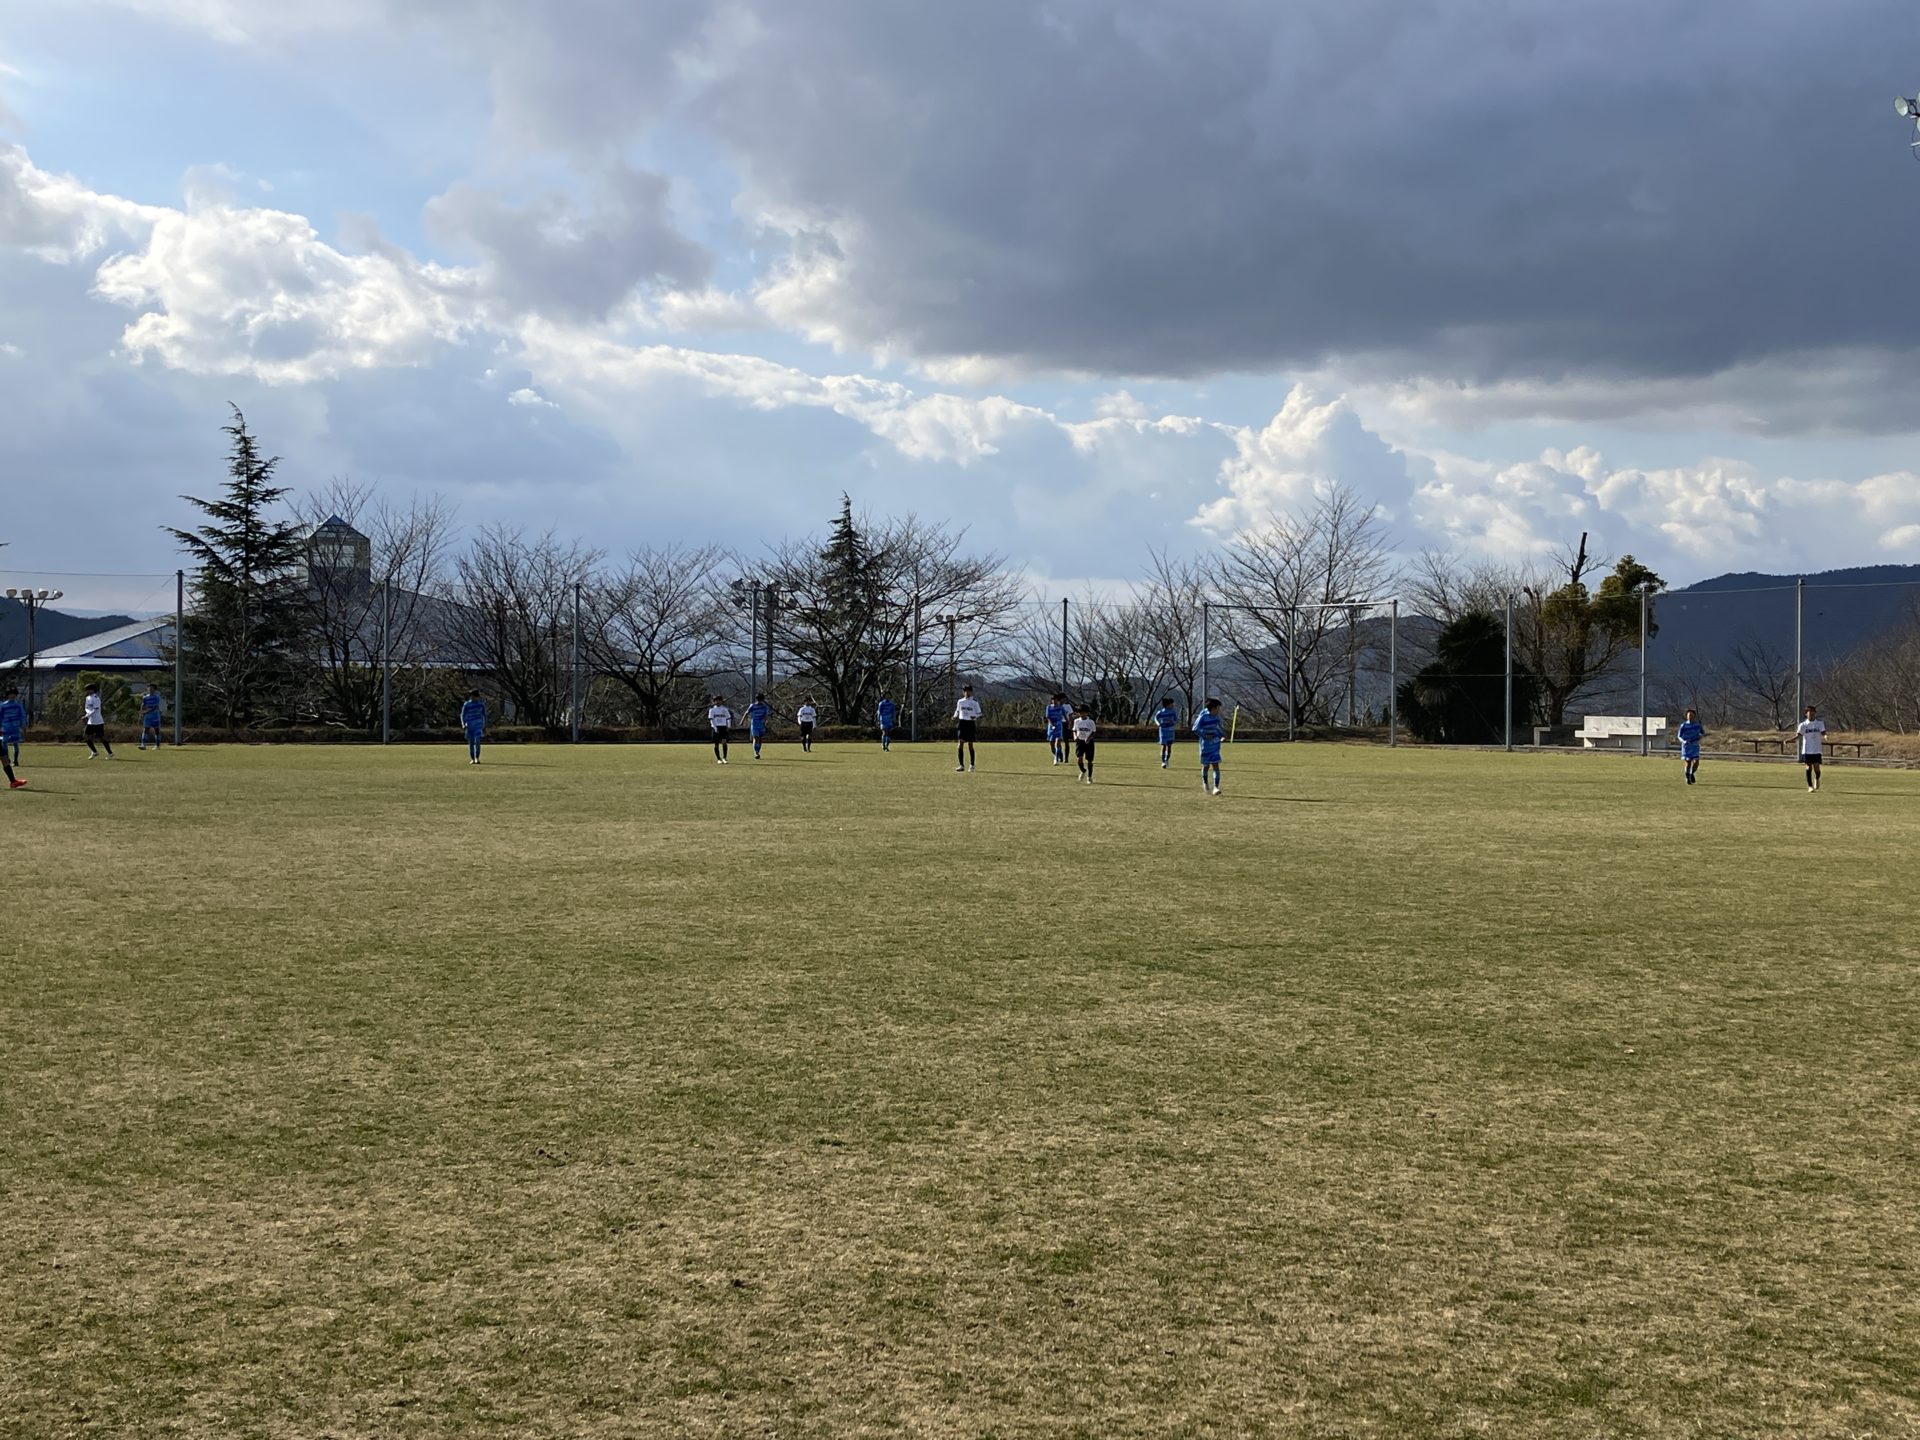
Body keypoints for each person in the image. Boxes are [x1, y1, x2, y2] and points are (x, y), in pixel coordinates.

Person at [1194, 697, 1226, 796]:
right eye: (1218, 708)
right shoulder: (1203, 717)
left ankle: (1216, 787)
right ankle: (1205, 782)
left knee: (1216, 765)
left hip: (1215, 744)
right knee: (1206, 766)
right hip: (1205, 745)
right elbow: (1195, 728)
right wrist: (1205, 736)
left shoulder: (1217, 717)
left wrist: (1222, 736)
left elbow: (1218, 728)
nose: (1219, 710)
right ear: (1213, 708)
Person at [1795, 704, 1826, 792]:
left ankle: (1817, 779)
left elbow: (1823, 732)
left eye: (1812, 712)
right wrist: (1790, 740)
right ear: (1806, 714)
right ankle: (1810, 786)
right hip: (1807, 749)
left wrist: (1825, 736)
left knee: (1817, 768)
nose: (1811, 714)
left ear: (1815, 713)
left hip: (1816, 749)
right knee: (1808, 768)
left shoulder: (1819, 723)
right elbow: (1798, 735)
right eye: (1809, 712)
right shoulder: (1803, 725)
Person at [954, 684, 982, 772]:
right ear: (963, 692)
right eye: (965, 691)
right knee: (960, 744)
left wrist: (975, 717)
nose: (967, 693)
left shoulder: (974, 702)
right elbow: (957, 710)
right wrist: (954, 716)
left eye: (968, 691)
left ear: (971, 692)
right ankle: (961, 765)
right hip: (962, 723)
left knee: (970, 745)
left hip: (970, 723)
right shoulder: (960, 701)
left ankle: (972, 765)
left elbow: (979, 713)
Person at [83, 683, 114, 759]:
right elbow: (87, 708)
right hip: (90, 721)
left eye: (88, 690)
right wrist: (87, 715)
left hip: (98, 721)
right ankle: (94, 752)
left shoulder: (96, 698)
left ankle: (110, 753)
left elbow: (95, 709)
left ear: (92, 690)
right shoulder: (87, 698)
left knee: (101, 738)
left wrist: (87, 716)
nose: (87, 691)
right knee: (86, 737)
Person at [1677, 708, 1704, 785]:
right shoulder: (1684, 725)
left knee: (1696, 762)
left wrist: (1700, 736)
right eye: (1689, 715)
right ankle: (1687, 777)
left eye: (1691, 715)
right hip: (1687, 747)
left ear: (1694, 716)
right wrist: (1684, 741)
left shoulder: (1697, 725)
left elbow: (1702, 733)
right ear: (1687, 716)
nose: (1690, 716)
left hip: (1695, 746)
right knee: (1688, 762)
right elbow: (1679, 736)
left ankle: (1692, 774)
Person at [1071, 705, 1097, 784]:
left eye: (1083, 712)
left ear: (1087, 713)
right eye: (1080, 712)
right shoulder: (1076, 721)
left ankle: (1089, 777)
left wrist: (1088, 738)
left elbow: (1093, 732)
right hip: (1080, 742)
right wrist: (1075, 736)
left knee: (1089, 761)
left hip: (1089, 743)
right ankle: (1083, 770)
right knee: (1079, 759)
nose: (1082, 714)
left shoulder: (1091, 722)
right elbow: (1074, 730)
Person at [1043, 692, 1071, 765]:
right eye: (1053, 700)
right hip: (1051, 727)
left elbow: (1065, 716)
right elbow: (1048, 717)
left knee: (1058, 742)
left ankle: (1056, 758)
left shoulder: (1061, 708)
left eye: (1055, 700)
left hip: (1059, 726)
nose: (1054, 701)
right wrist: (1052, 724)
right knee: (1051, 744)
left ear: (1058, 700)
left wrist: (1068, 724)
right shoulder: (1049, 707)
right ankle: (1058, 753)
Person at [1152, 695, 1179, 769]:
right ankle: (1163, 761)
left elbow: (1176, 720)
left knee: (1169, 746)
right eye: (1171, 704)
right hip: (1163, 731)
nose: (1173, 705)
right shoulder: (1161, 712)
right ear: (1167, 705)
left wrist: (1173, 722)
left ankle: (1167, 760)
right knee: (1163, 746)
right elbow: (1155, 718)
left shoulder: (1173, 712)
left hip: (1170, 730)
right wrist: (1158, 724)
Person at [460, 690, 487, 765]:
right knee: (471, 743)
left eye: (474, 696)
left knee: (477, 741)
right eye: (471, 696)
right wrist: (463, 723)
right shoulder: (467, 704)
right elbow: (462, 715)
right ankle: (472, 758)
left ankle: (477, 758)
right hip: (469, 725)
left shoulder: (481, 705)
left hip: (478, 725)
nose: (473, 698)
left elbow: (484, 715)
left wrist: (484, 725)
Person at [0, 686, 24, 768]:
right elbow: (0, 716)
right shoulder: (3, 705)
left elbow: (22, 715)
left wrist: (23, 725)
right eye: (11, 694)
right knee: (4, 743)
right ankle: (7, 760)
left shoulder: (18, 706)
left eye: (14, 694)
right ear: (8, 695)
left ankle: (15, 761)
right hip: (5, 727)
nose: (12, 695)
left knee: (15, 744)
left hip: (15, 727)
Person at [708, 694, 733, 763]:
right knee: (716, 744)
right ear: (714, 702)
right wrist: (714, 727)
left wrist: (728, 726)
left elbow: (728, 718)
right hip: (716, 727)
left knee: (724, 742)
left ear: (722, 701)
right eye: (716, 701)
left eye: (719, 700)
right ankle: (718, 759)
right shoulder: (712, 710)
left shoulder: (725, 709)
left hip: (723, 727)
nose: (718, 702)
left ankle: (724, 758)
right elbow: (711, 719)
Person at [746, 693, 772, 759]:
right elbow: (746, 713)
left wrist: (766, 721)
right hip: (754, 724)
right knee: (756, 737)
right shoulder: (753, 706)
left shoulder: (764, 707)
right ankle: (756, 753)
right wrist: (742, 721)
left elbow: (766, 715)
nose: (760, 701)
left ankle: (758, 751)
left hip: (761, 724)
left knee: (760, 738)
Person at [138, 683, 164, 750]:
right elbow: (143, 704)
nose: (150, 689)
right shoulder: (145, 697)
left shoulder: (156, 697)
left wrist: (147, 711)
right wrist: (141, 712)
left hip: (155, 715)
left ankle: (157, 745)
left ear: (154, 689)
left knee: (156, 730)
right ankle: (143, 745)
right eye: (149, 688)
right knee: (146, 729)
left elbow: (155, 706)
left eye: (151, 688)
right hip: (147, 716)